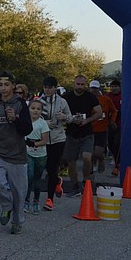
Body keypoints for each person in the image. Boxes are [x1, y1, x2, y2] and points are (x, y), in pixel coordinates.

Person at [0, 71, 33, 234]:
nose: (3, 88)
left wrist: (16, 119)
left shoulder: (20, 104)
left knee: (19, 192)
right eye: (0, 85)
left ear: (13, 86)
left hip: (17, 155)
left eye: (6, 85)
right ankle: (6, 205)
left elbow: (27, 129)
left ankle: (17, 222)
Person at [62, 75, 102, 198]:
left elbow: (99, 113)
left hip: (86, 133)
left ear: (86, 85)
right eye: (78, 84)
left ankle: (86, 180)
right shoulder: (66, 98)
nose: (80, 87)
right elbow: (59, 112)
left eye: (82, 84)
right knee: (71, 162)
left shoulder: (90, 97)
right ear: (74, 84)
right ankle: (75, 186)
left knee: (86, 157)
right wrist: (67, 119)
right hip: (71, 134)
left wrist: (87, 120)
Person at [38, 76, 71, 211]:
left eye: (50, 87)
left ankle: (49, 199)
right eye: (45, 87)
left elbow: (70, 118)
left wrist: (64, 117)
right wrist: (45, 123)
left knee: (52, 168)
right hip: (44, 139)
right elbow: (33, 119)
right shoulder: (39, 102)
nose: (47, 90)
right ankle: (57, 181)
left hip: (58, 139)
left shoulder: (62, 102)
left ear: (55, 88)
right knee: (44, 167)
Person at [24, 98, 50, 215]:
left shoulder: (42, 123)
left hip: (40, 155)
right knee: (29, 176)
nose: (35, 111)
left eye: (38, 109)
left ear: (41, 111)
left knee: (37, 180)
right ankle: (26, 201)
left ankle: (36, 201)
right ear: (28, 109)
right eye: (33, 108)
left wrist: (34, 143)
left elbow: (45, 140)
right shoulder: (25, 121)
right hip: (28, 153)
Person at [89, 80, 118, 174]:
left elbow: (114, 111)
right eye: (92, 88)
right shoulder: (86, 99)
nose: (94, 90)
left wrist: (112, 121)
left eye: (95, 88)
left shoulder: (105, 99)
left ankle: (100, 160)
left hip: (102, 129)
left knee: (98, 152)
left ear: (99, 89)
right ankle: (91, 168)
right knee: (90, 152)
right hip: (89, 129)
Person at [105, 79, 122, 174]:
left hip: (120, 123)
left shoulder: (123, 96)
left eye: (116, 86)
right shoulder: (107, 96)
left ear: (120, 87)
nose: (114, 88)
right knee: (110, 144)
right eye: (112, 87)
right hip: (110, 123)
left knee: (117, 142)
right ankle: (116, 159)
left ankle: (118, 163)